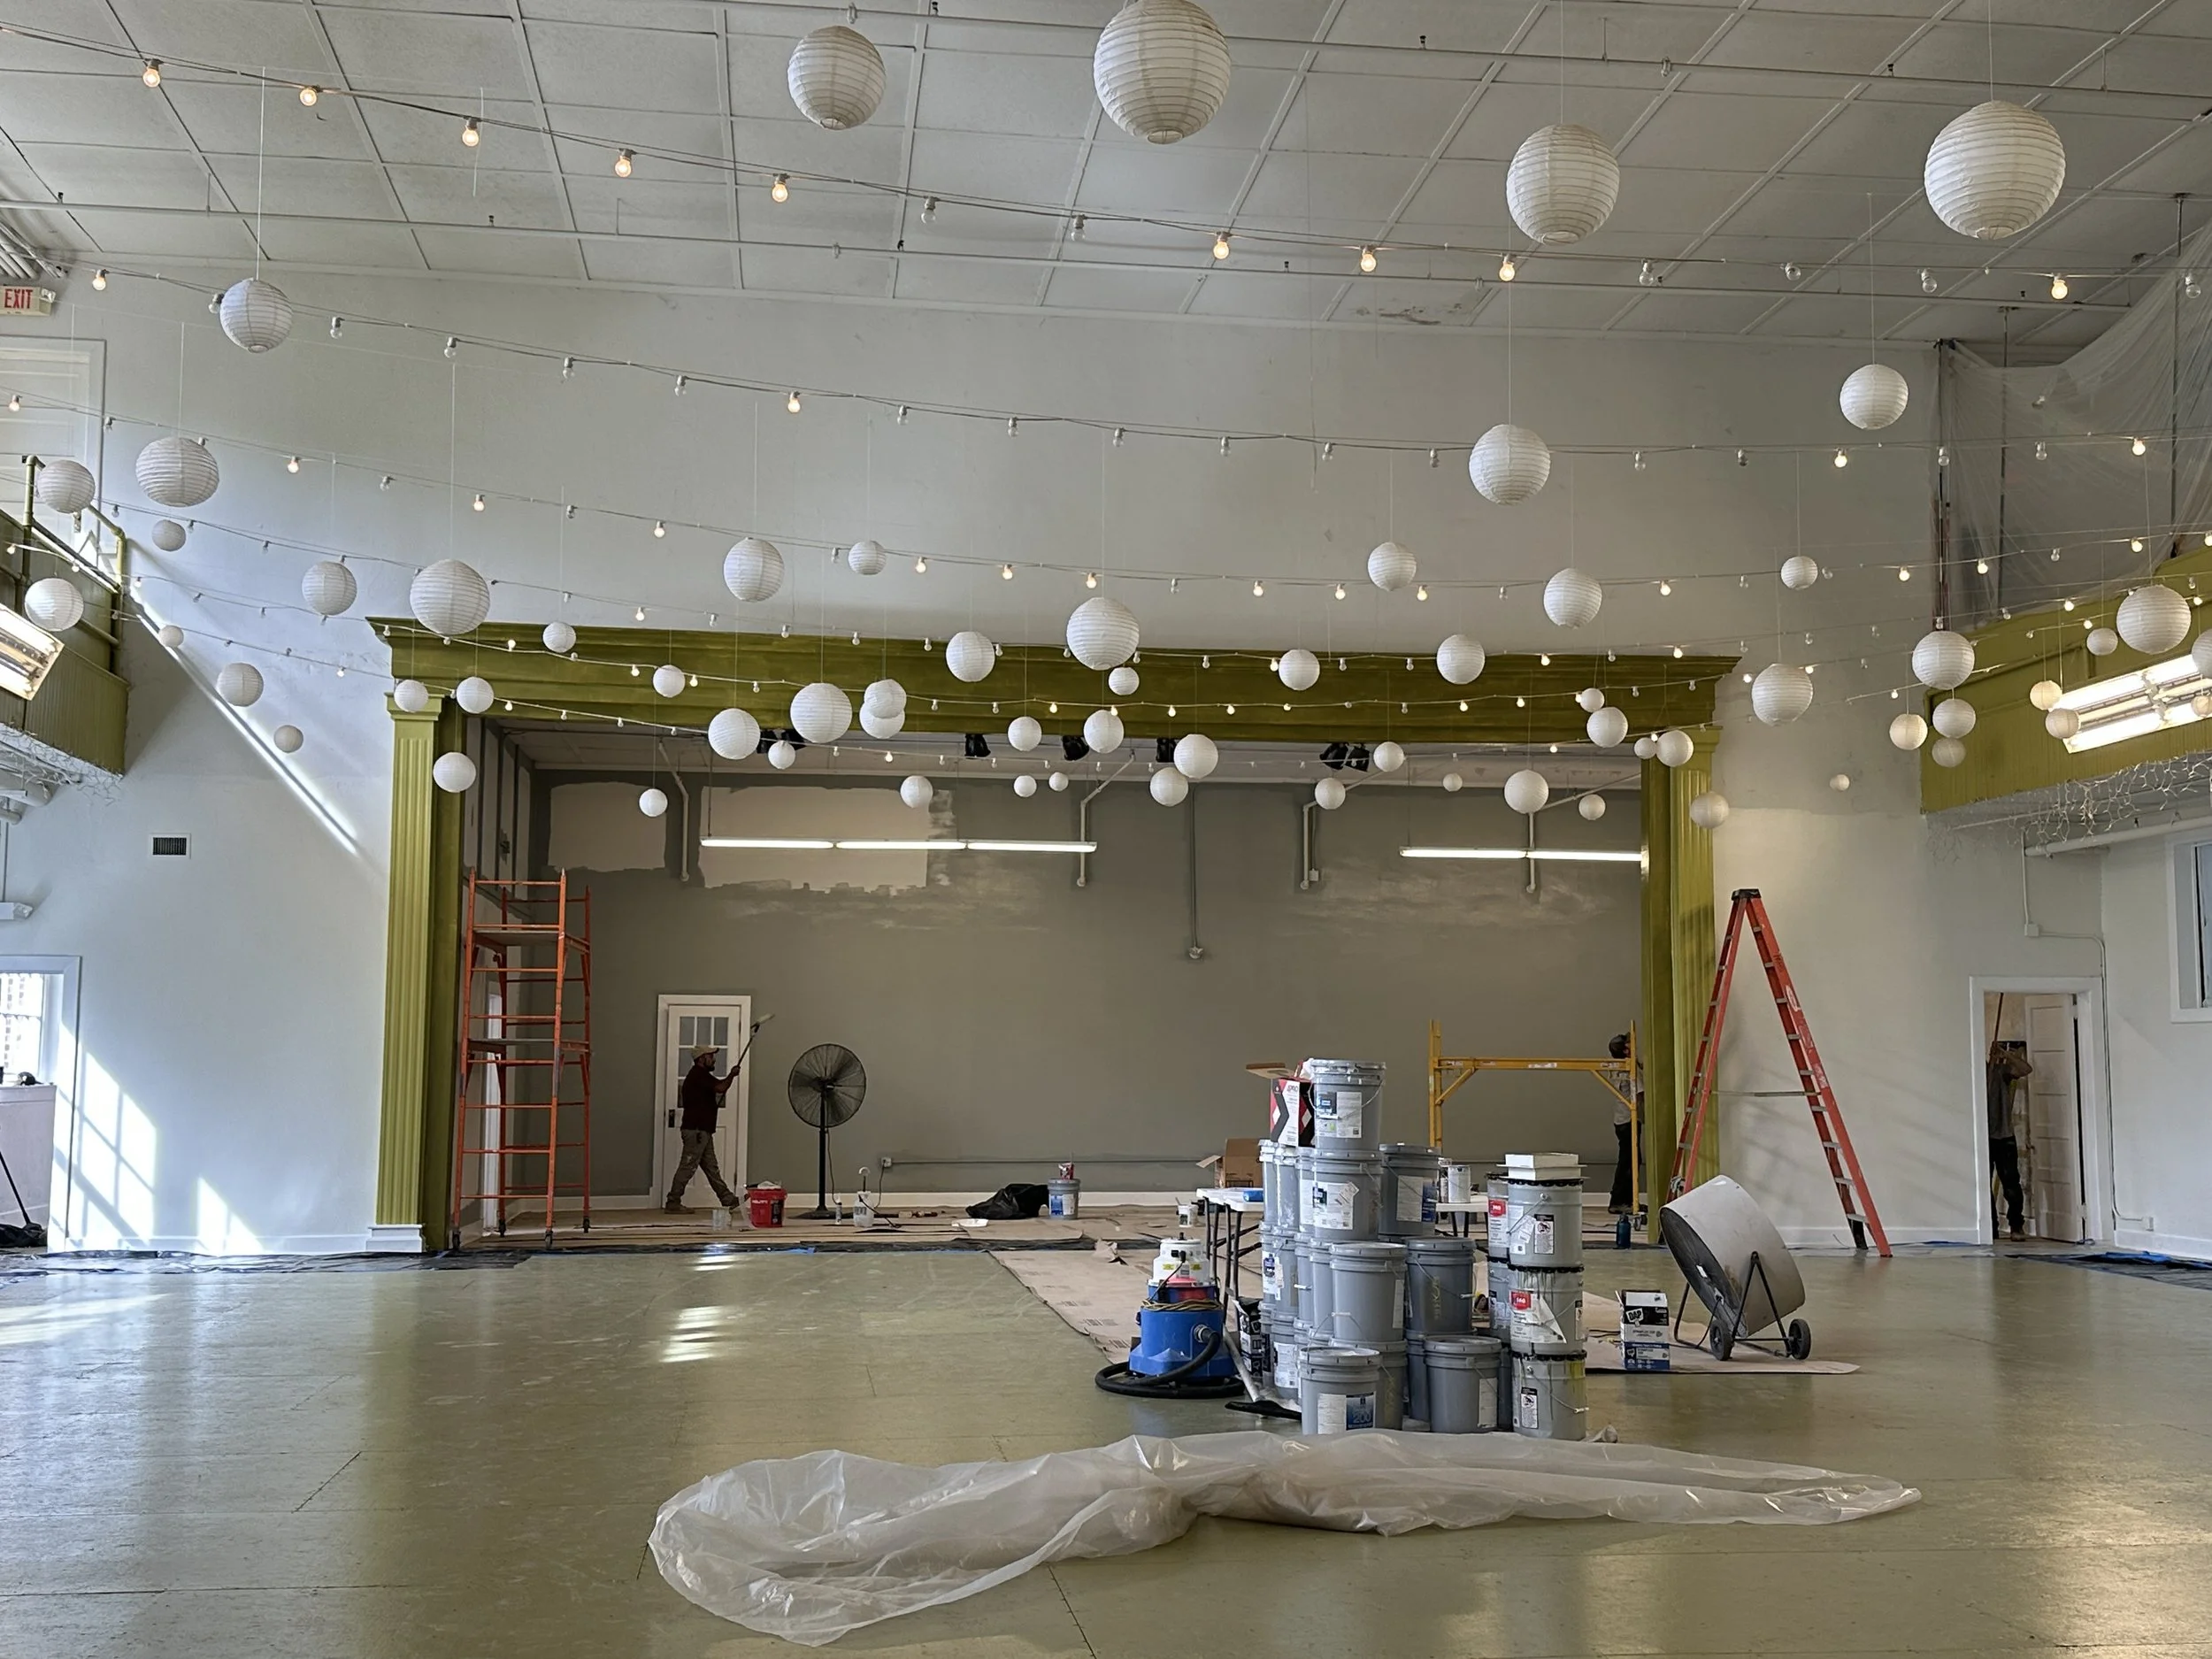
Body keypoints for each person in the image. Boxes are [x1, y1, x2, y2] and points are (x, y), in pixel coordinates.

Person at [665, 1044, 742, 1214]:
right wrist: (732, 1074)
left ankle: (727, 1199)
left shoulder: (700, 1076)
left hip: (702, 1130)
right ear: (702, 1059)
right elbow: (721, 1088)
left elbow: (718, 1088)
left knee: (711, 1167)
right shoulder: (699, 1076)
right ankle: (673, 1202)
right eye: (710, 1056)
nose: (713, 1059)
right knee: (688, 1166)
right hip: (697, 1130)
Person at [1985, 1040, 2032, 1242]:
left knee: (2011, 1184)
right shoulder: (1973, 1075)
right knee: (1981, 1185)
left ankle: (2016, 1225)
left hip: (2003, 1136)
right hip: (1982, 1137)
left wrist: (2008, 1056)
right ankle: (1990, 1227)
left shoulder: (1999, 1071)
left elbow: (2025, 1069)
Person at [1607, 1033, 1641, 1215]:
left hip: (1621, 1120)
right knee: (1630, 1162)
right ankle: (1620, 1201)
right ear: (1626, 1050)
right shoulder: (1630, 1069)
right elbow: (1642, 1092)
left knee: (1628, 1160)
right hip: (1629, 1120)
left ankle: (1626, 1200)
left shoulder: (1615, 1067)